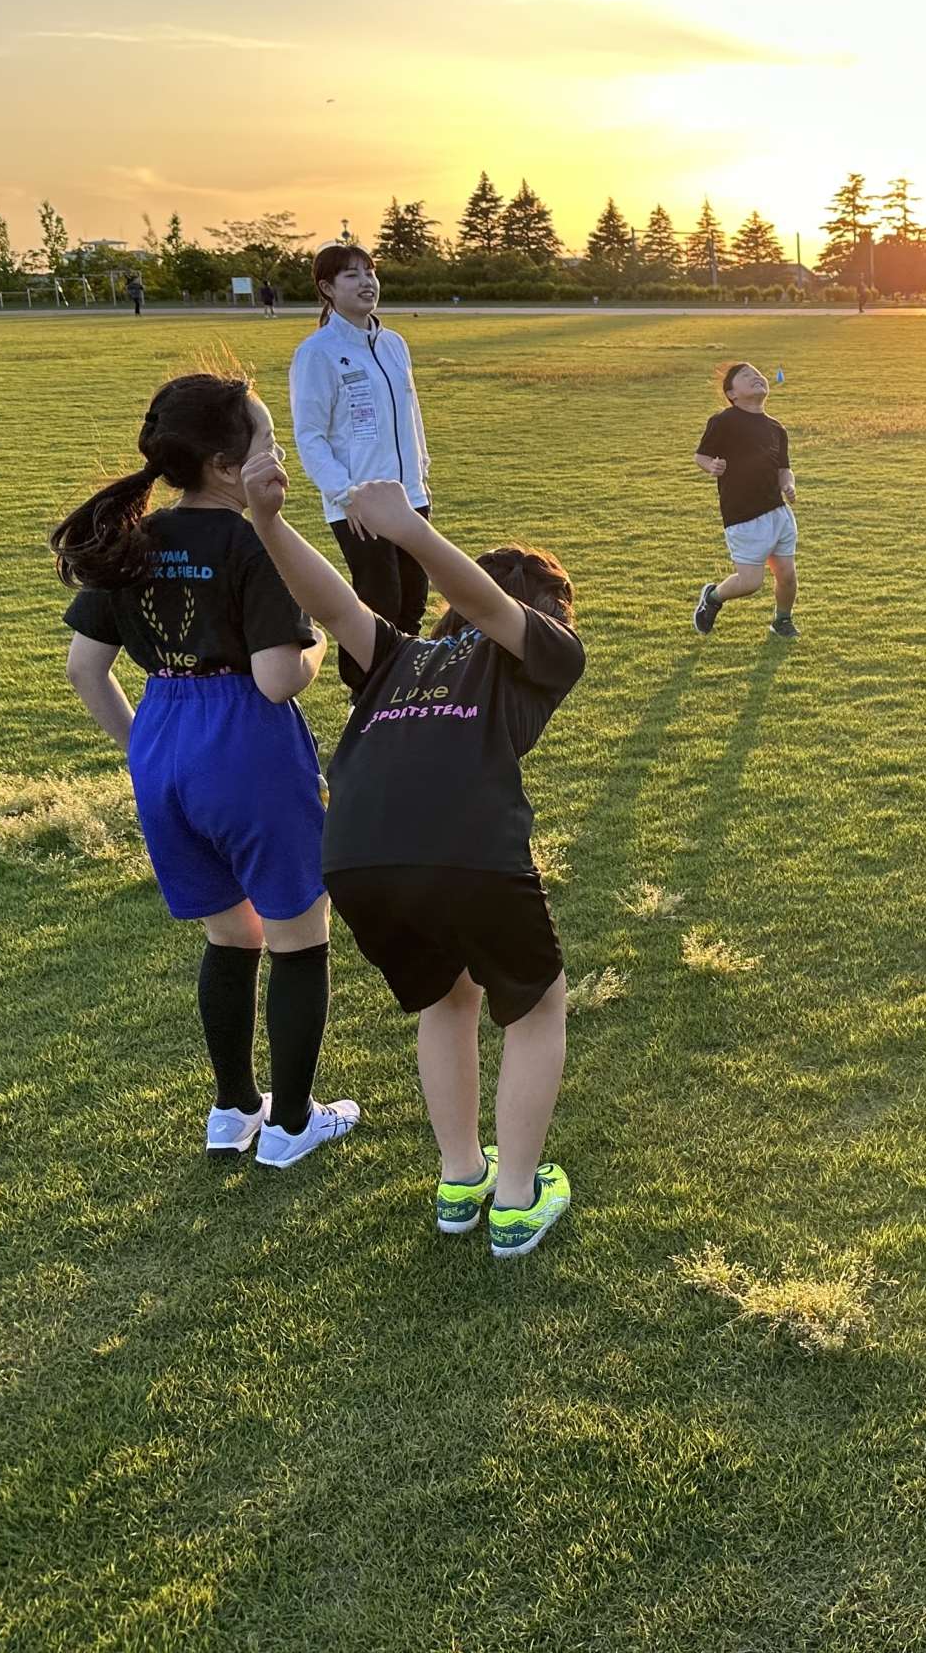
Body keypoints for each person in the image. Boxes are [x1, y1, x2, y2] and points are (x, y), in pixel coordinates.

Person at [240, 456, 586, 1260]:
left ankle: (461, 1178)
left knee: (446, 997)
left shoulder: (403, 658)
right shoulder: (550, 652)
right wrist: (403, 529)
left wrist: (267, 523)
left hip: (358, 857)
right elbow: (350, 600)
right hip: (465, 850)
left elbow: (339, 606)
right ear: (554, 613)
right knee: (536, 1009)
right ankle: (515, 1198)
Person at [49, 372, 357, 1164]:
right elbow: (277, 679)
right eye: (266, 438)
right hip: (246, 742)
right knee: (297, 936)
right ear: (227, 467)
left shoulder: (132, 536)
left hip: (164, 738)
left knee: (230, 934)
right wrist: (319, 640)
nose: (279, 448)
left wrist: (148, 754)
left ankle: (232, 1110)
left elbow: (86, 670)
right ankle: (291, 1125)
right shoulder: (254, 540)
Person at [289, 242, 434, 690]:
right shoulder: (318, 352)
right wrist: (345, 493)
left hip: (409, 498)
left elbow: (411, 415)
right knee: (378, 603)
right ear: (327, 288)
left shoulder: (393, 343)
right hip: (357, 503)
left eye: (370, 271)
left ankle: (403, 694)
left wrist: (422, 475)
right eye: (351, 275)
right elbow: (309, 434)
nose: (366, 281)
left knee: (412, 601)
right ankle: (363, 697)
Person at [692, 362, 799, 638]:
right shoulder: (724, 421)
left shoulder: (777, 429)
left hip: (778, 512)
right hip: (743, 516)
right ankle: (713, 597)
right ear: (732, 393)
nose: (756, 377)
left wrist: (787, 485)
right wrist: (710, 467)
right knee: (751, 582)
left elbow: (783, 468)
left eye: (758, 374)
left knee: (787, 575)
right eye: (746, 375)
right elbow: (701, 455)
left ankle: (782, 620)